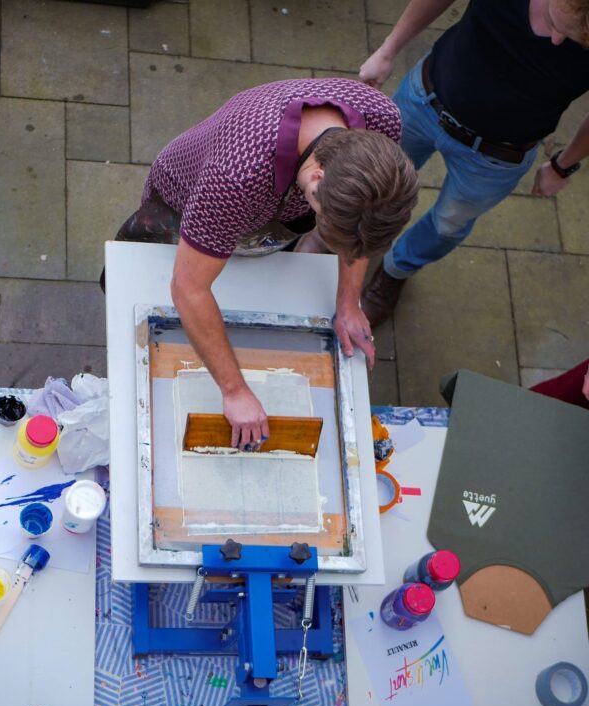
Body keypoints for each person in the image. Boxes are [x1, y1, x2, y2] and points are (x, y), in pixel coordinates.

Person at [112, 79, 419, 449]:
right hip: (183, 206)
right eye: (324, 215)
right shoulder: (236, 176)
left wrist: (348, 301)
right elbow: (188, 288)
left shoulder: (380, 120)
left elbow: (363, 224)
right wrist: (235, 391)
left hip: (265, 212)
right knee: (140, 289)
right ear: (318, 177)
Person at [357, 0, 589, 326]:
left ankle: (396, 269)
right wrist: (388, 49)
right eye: (554, 23)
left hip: (498, 157)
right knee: (371, 180)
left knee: (447, 225)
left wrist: (563, 166)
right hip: (423, 101)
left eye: (577, 41)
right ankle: (346, 234)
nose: (555, 42)